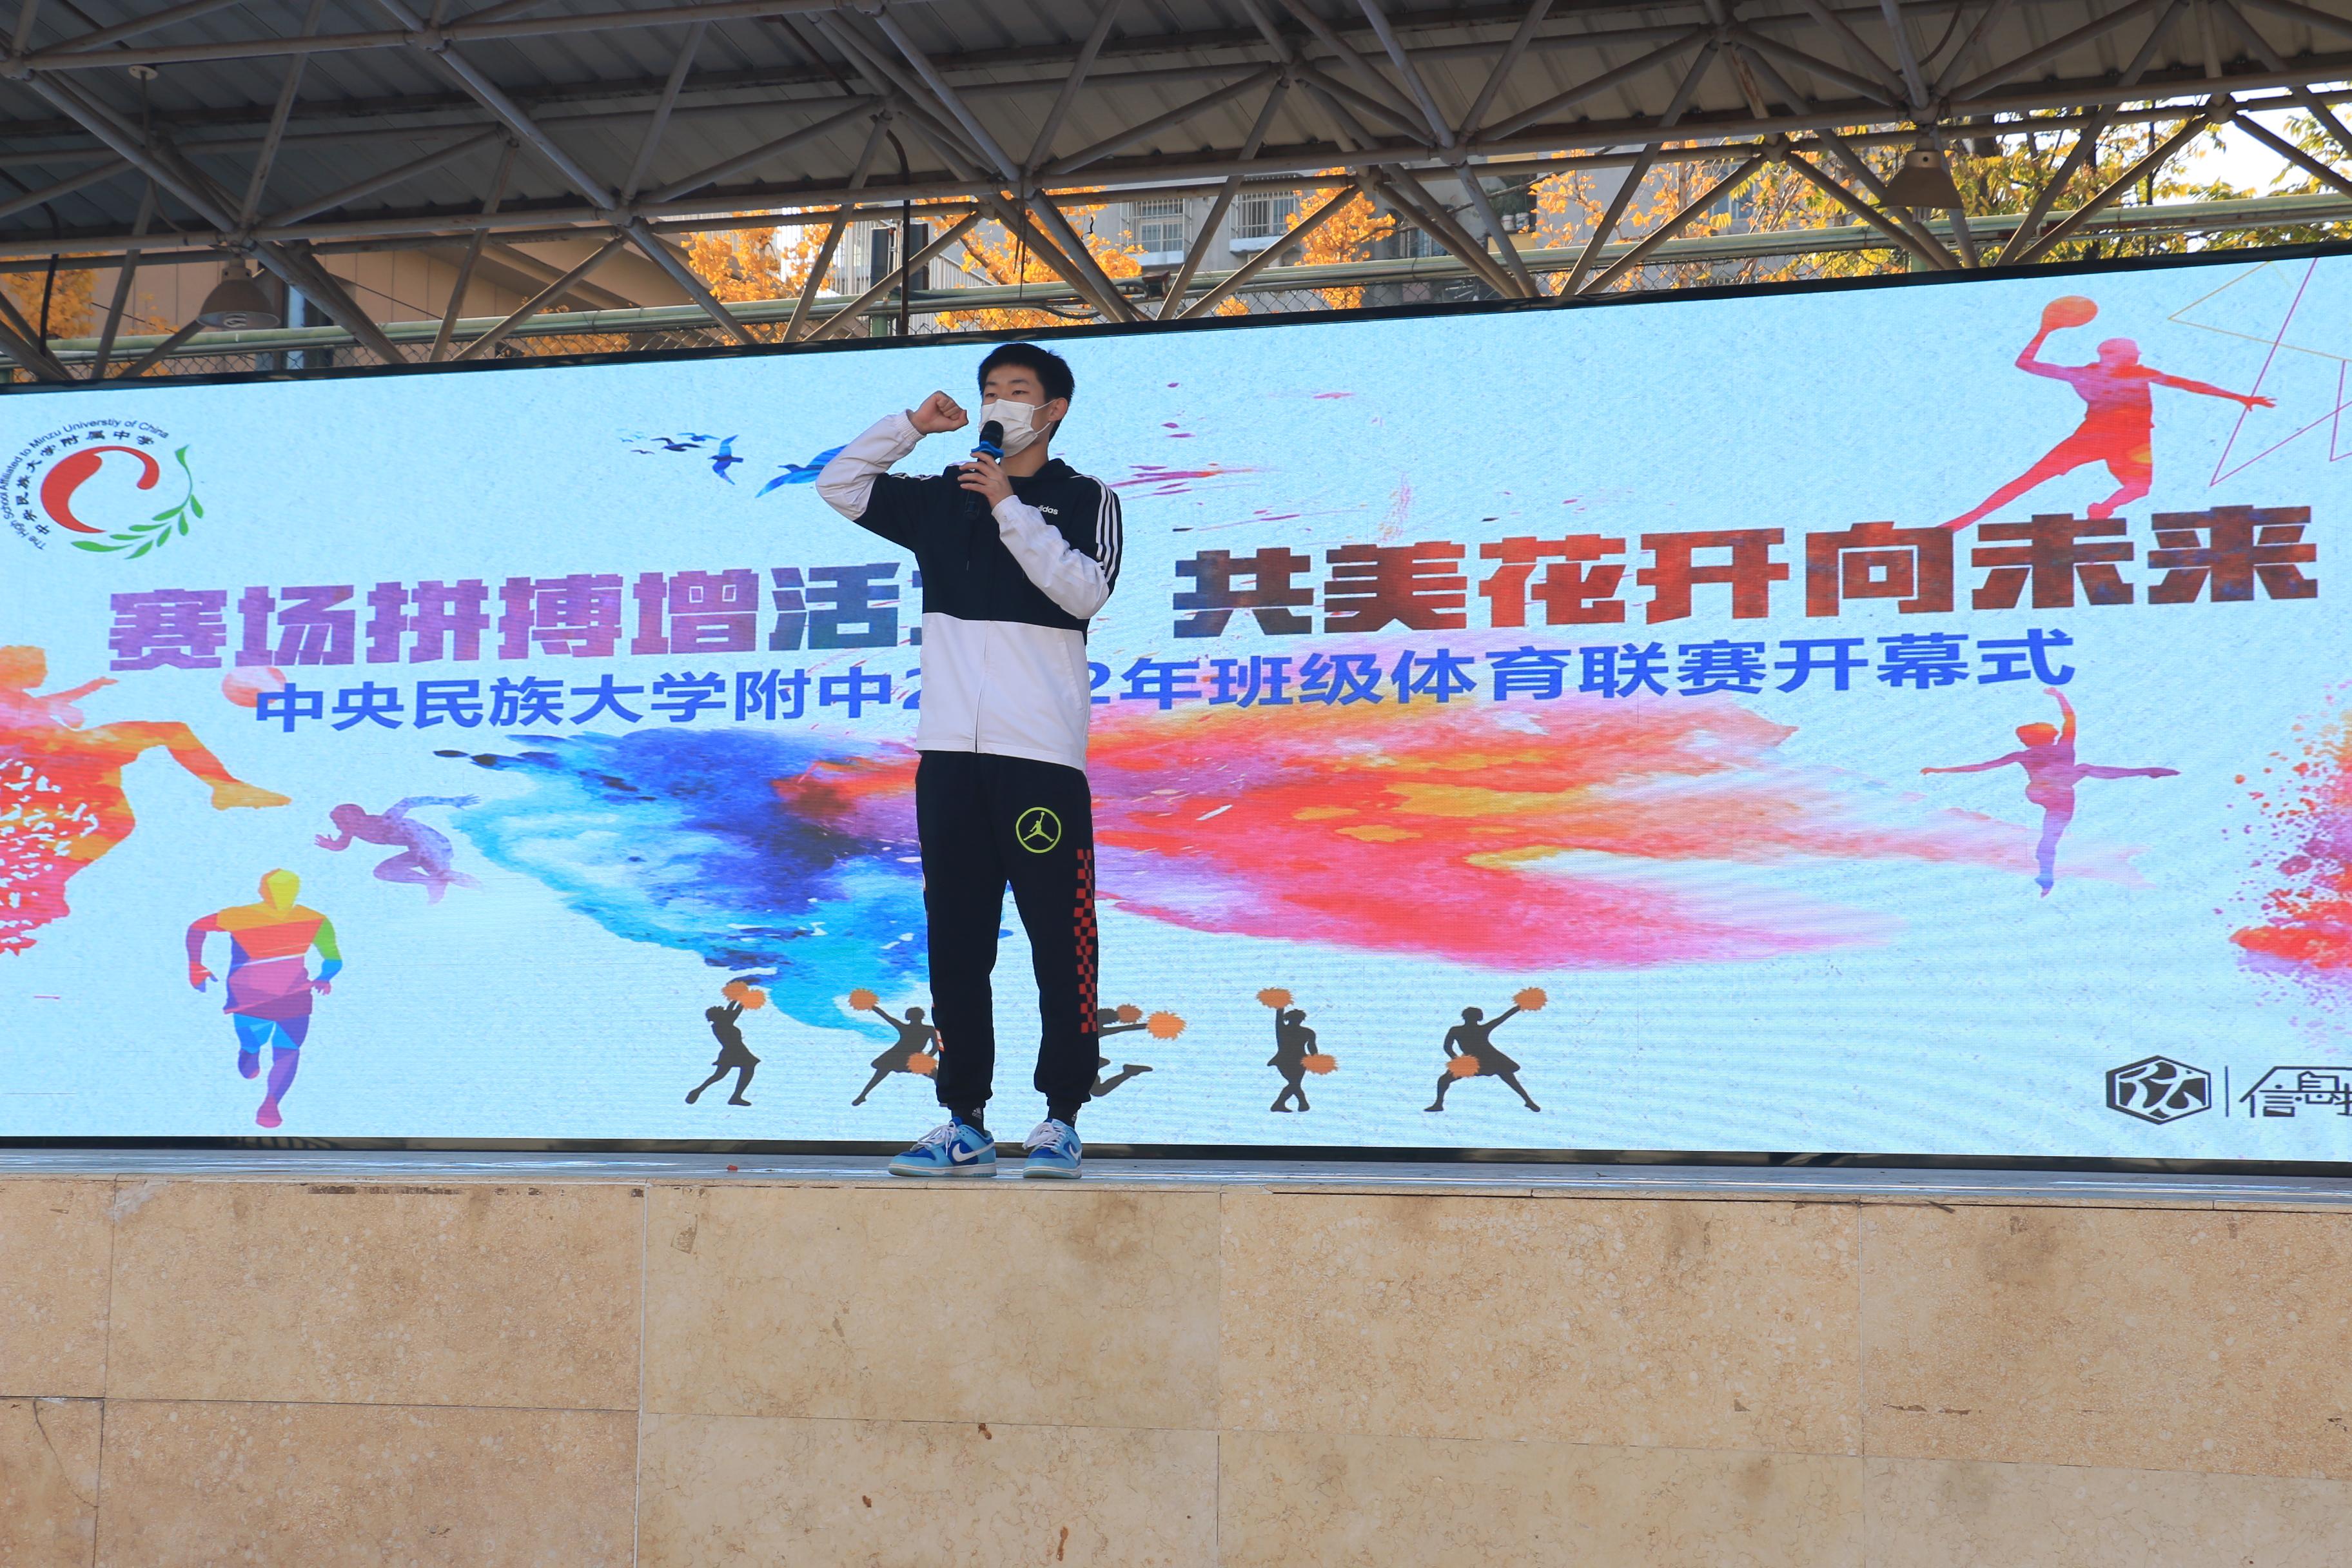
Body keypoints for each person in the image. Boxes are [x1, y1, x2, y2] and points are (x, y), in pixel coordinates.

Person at [816, 342, 1122, 1180]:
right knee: (957, 942)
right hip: (950, 755)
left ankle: (1061, 1116)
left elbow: (1085, 590)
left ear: (1053, 410)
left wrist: (1010, 508)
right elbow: (840, 484)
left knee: (1060, 940)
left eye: (1017, 391)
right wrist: (911, 426)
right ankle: (964, 1119)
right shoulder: (944, 497)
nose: (999, 403)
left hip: (1040, 758)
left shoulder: (1085, 498)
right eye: (990, 390)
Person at [2, 645, 288, 955]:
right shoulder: (7, 702)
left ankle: (51, 880)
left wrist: (89, 688)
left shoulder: (18, 698)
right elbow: (23, 731)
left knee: (119, 822)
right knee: (170, 733)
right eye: (40, 667)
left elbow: (47, 704)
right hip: (66, 754)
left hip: (71, 756)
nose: (45, 673)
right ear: (20, 670)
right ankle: (226, 787)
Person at [1943, 309, 2273, 531]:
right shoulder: (2092, 374)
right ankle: (1967, 520)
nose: (2136, 358)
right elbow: (2026, 364)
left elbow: (2188, 384)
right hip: (2105, 437)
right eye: (2132, 354)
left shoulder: (2126, 373)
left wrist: (2239, 397)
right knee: (2033, 478)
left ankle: (2103, 508)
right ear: (2120, 355)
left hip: (2127, 440)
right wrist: (2044, 330)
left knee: (2137, 487)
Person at [1923, 687, 2177, 894]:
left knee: (2051, 836)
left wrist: (2060, 697)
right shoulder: (2035, 753)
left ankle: (2045, 875)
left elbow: (2070, 721)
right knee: (2084, 769)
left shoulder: (2057, 748)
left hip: (2057, 794)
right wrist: (1941, 770)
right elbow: (1982, 767)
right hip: (2044, 790)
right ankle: (2147, 771)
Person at [186, 869, 342, 1129]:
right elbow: (334, 960)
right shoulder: (315, 919)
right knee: (282, 1050)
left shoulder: (240, 916)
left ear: (262, 890)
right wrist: (325, 976)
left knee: (284, 1051)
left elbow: (197, 928)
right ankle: (255, 1063)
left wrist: (195, 965)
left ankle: (270, 1102)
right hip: (270, 999)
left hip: (261, 999)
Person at [315, 796, 480, 903]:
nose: (342, 825)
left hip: (433, 844)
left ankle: (484, 890)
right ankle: (430, 882)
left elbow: (408, 802)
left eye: (346, 820)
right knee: (383, 871)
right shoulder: (351, 831)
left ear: (362, 816)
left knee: (444, 873)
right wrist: (331, 845)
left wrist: (451, 801)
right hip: (416, 851)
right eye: (339, 822)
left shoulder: (386, 820)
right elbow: (342, 844)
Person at [1426, 1002, 1540, 1113]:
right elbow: (1503, 1017)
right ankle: (1529, 1101)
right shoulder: (1472, 1029)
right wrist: (1457, 1060)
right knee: (1510, 1079)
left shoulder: (1458, 1030)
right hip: (1483, 1059)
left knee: (1510, 1079)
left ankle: (1439, 1104)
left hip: (1490, 1059)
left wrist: (1456, 1059)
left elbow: (1447, 1047)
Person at [852, 1003, 939, 1105]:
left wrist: (927, 1058)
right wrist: (928, 1057)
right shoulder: (928, 1029)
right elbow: (935, 1047)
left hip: (900, 1056)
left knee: (880, 1074)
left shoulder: (913, 1028)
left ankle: (862, 1096)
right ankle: (862, 1096)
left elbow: (886, 1017)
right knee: (936, 1076)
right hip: (898, 1056)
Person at [687, 999, 759, 1106]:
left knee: (721, 1075)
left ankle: (700, 1090)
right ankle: (735, 1096)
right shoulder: (722, 1024)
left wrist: (739, 998)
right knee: (726, 1074)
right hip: (735, 1052)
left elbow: (733, 1011)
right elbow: (734, 1011)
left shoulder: (722, 1023)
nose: (726, 1013)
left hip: (734, 1051)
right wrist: (742, 998)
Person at [1090, 1006, 1155, 1098]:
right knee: (1098, 1091)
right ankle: (1129, 1072)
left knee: (1098, 1091)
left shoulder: (1095, 1029)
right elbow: (1127, 1028)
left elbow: (1128, 1028)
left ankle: (1129, 1072)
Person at [1269, 1006, 1316, 1113]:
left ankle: (1300, 1104)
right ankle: (1299, 1104)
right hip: (1292, 1060)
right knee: (1295, 1083)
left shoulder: (1284, 1030)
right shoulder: (1307, 1032)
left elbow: (1312, 1047)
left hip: (1292, 1061)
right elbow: (1312, 1048)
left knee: (1295, 1083)